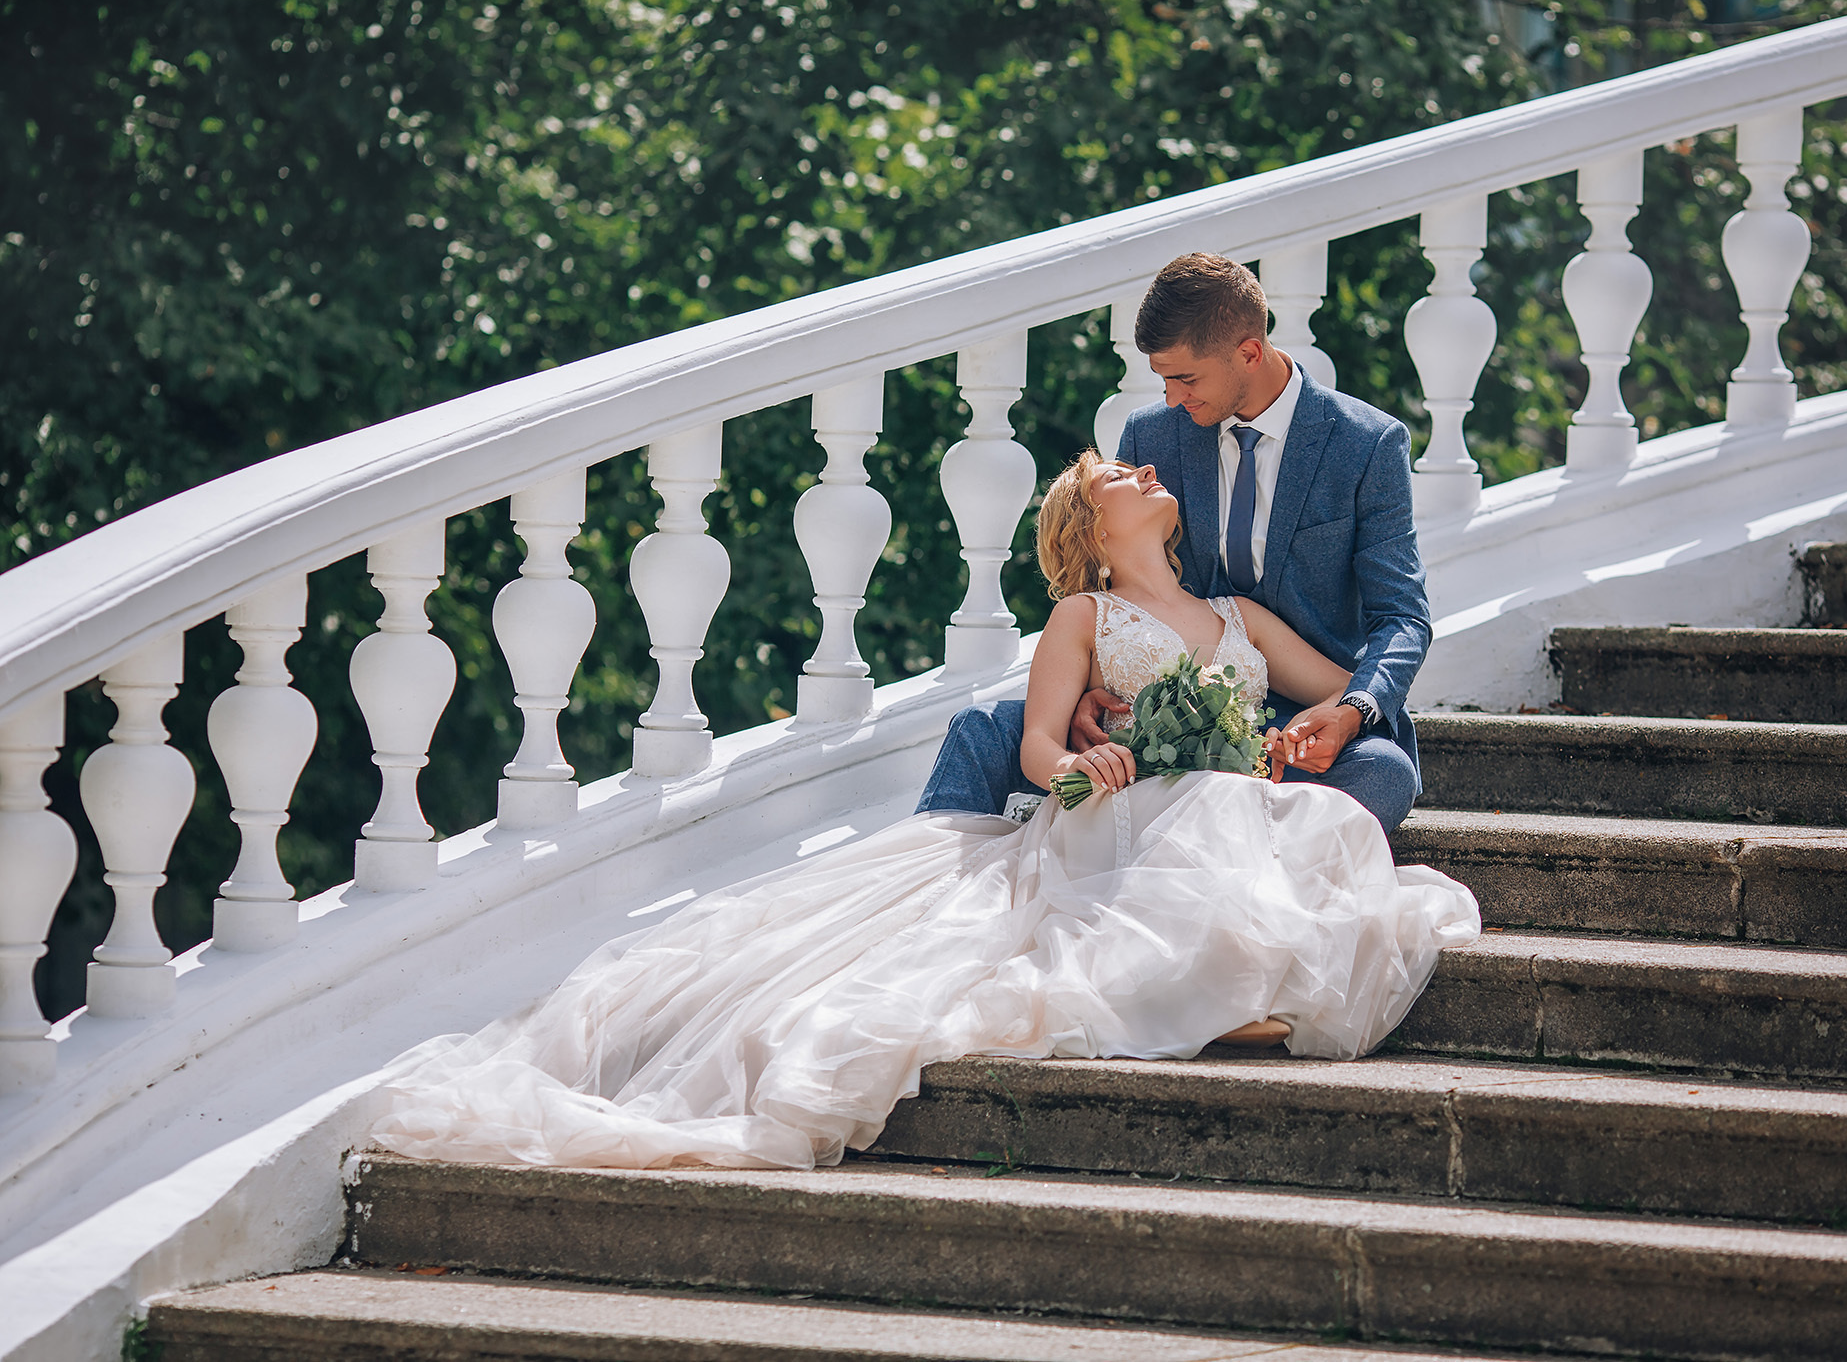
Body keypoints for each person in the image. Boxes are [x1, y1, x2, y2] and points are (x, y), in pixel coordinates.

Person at [366, 451, 1480, 1173]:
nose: (1141, 466)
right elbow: (1041, 744)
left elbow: (1337, 682)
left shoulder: (1236, 614)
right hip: (1120, 806)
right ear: (1088, 528)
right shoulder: (1081, 617)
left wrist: (1302, 728)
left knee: (1312, 825)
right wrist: (1081, 772)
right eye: (1112, 474)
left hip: (1229, 795)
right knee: (1181, 842)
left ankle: (1217, 988)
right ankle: (1206, 995)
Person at [919, 252, 1430, 836]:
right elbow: (1116, 574)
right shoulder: (1153, 432)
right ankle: (926, 881)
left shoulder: (1367, 445)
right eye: (1163, 378)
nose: (1170, 398)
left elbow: (1403, 616)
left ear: (1249, 351)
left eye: (1185, 378)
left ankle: (1207, 862)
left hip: (1293, 723)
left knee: (1384, 771)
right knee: (985, 728)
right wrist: (1091, 689)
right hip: (1142, 724)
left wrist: (1350, 710)